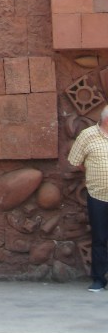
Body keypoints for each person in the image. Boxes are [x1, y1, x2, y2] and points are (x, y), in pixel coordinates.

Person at [67, 105, 108, 291]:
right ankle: (99, 278)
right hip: (98, 195)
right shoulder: (88, 135)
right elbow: (76, 161)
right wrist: (92, 172)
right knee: (99, 238)